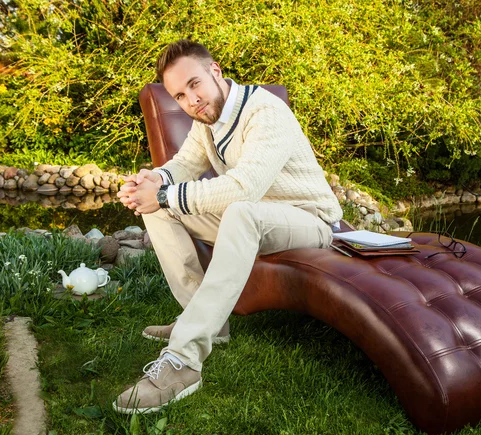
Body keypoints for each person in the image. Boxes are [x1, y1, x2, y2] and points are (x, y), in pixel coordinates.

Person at [114, 39, 343, 414]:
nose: (191, 100)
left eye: (194, 84)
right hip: (253, 216)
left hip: (309, 220)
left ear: (215, 71)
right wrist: (152, 182)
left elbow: (244, 188)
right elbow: (184, 165)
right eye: (180, 95)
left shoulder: (266, 111)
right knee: (155, 208)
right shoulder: (207, 121)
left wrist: (168, 194)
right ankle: (203, 320)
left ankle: (184, 361)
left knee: (235, 208)